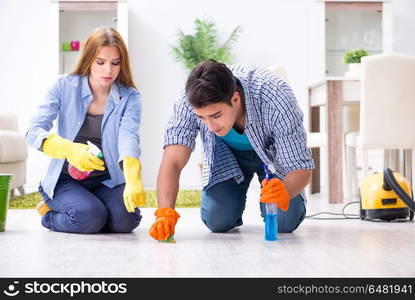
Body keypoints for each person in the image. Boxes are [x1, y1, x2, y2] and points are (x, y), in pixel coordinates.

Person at [149, 59, 314, 241]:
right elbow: (172, 161)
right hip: (228, 155)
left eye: (216, 115)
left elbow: (301, 166)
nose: (210, 127)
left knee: (284, 222)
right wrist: (165, 213)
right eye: (202, 118)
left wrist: (284, 190)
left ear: (235, 99)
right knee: (217, 221)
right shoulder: (188, 101)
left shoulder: (275, 96)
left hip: (273, 158)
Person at [26, 27, 145, 234]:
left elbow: (129, 136)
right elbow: (33, 130)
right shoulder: (64, 86)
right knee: (90, 218)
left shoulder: (129, 96)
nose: (108, 70)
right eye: (100, 62)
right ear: (89, 59)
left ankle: (92, 209)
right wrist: (68, 149)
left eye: (115, 63)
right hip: (65, 180)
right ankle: (49, 215)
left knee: (126, 221)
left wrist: (133, 174)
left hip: (107, 180)